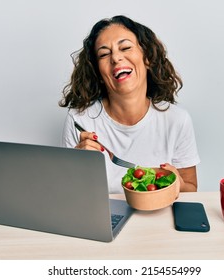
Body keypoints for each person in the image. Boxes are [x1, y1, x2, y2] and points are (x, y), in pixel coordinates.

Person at [59, 15, 200, 193]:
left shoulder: (177, 120)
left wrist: (177, 184)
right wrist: (77, 166)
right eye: (104, 54)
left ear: (147, 58)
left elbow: (192, 190)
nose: (116, 58)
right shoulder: (79, 121)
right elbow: (70, 196)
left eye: (125, 47)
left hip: (160, 218)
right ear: (98, 73)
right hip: (104, 220)